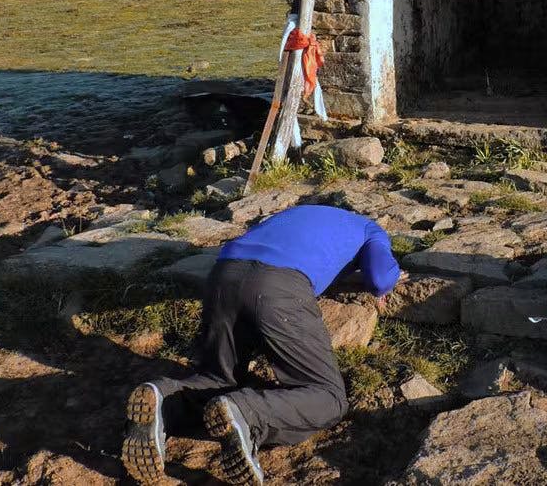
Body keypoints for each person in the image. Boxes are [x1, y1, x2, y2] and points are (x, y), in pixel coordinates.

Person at [121, 204, 401, 485]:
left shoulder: (301, 212)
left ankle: (165, 401)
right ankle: (248, 413)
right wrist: (387, 283)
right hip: (279, 288)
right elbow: (380, 277)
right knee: (329, 397)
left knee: (218, 377)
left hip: (224, 276)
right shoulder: (370, 229)